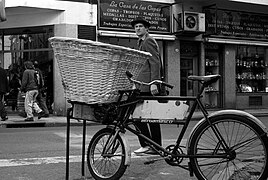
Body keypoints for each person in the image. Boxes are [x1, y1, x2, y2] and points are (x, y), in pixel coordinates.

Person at [131, 17, 162, 154]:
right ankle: (153, 145)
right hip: (142, 85)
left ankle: (148, 145)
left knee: (138, 115)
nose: (137, 28)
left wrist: (154, 83)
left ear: (146, 28)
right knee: (148, 117)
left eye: (140, 26)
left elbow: (155, 63)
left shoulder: (148, 41)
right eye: (136, 27)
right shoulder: (141, 41)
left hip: (148, 86)